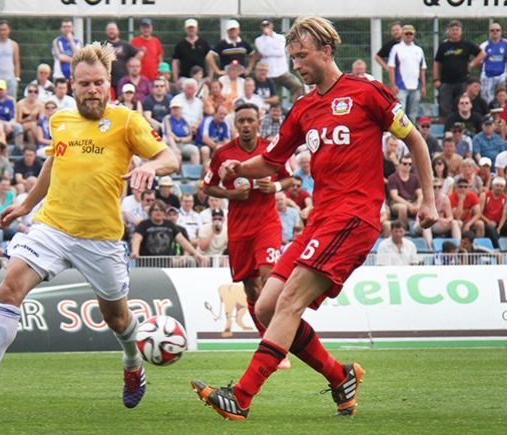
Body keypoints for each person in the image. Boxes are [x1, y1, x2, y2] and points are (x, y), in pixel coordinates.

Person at [191, 16, 438, 420]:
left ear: (326, 51)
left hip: (354, 218)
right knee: (267, 307)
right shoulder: (304, 108)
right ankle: (339, 376)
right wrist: (236, 169)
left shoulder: (367, 92)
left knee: (288, 301)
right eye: (292, 58)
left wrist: (428, 199)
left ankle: (241, 396)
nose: (297, 65)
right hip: (321, 221)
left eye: (302, 56)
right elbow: (271, 161)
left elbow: (414, 139)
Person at [0, 42, 179, 410]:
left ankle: (132, 362)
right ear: (73, 85)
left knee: (116, 318)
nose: (93, 90)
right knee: (10, 286)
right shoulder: (61, 121)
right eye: (85, 84)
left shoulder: (127, 121)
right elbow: (52, 166)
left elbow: (170, 156)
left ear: (109, 82)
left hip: (100, 237)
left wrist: (149, 166)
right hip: (53, 227)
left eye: (99, 82)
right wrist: (26, 205)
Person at [204, 102, 294, 339]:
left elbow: (289, 180)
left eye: (250, 120)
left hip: (267, 224)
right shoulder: (223, 154)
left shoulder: (271, 150)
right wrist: (231, 194)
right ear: (235, 124)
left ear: (258, 122)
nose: (246, 125)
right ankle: (267, 339)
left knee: (269, 278)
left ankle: (277, 341)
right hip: (239, 228)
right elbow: (207, 187)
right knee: (251, 288)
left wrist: (273, 186)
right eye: (241, 121)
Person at [433, 20, 484, 120]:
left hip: (462, 82)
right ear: (449, 31)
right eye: (453, 29)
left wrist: (472, 64)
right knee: (444, 108)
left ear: (461, 31)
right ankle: (445, 130)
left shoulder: (466, 44)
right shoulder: (443, 46)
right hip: (446, 83)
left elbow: (482, 54)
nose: (455, 32)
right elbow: (436, 62)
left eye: (457, 29)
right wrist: (436, 79)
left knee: (462, 105)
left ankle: (461, 128)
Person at [131, 200, 201, 266]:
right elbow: (137, 239)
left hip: (166, 264)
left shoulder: (170, 225)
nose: (158, 212)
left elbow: (182, 240)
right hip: (146, 264)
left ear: (164, 213)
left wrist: (195, 253)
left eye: (161, 210)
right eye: (156, 210)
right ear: (151, 212)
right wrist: (135, 252)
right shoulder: (143, 224)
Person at [387, 25, 426, 123]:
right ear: (402, 35)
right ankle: (399, 137)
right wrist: (393, 84)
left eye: (410, 34)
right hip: (401, 87)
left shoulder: (418, 50)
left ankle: (410, 137)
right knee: (401, 113)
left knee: (413, 115)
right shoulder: (396, 48)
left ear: (413, 35)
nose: (408, 36)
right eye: (406, 34)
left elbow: (422, 69)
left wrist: (423, 86)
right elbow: (391, 67)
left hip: (415, 86)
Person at [252, 19, 301, 97]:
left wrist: (269, 51)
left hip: (282, 72)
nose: (266, 27)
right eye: (264, 26)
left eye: (267, 25)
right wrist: (269, 39)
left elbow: (281, 51)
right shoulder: (258, 40)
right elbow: (263, 52)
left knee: (297, 86)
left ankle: (295, 107)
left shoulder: (281, 37)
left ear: (271, 25)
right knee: (271, 94)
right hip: (268, 74)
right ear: (261, 27)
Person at [414, 178, 461, 249]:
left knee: (455, 223)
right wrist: (439, 219)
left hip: (437, 224)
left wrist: (447, 220)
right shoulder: (422, 198)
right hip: (421, 223)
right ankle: (430, 249)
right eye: (434, 187)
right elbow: (422, 215)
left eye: (439, 187)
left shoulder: (445, 198)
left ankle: (458, 247)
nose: (437, 189)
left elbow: (450, 216)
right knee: (427, 225)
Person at [0, 20, 21, 99]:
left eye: (5, 30)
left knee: (11, 101)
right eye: (1, 30)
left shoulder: (14, 45)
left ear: (9, 30)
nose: (3, 32)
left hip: (10, 78)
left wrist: (17, 77)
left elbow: (16, 62)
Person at [171, 19, 211, 86]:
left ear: (197, 29)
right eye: (189, 28)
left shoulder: (204, 43)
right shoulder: (180, 45)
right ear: (185, 29)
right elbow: (175, 62)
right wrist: (176, 79)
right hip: (185, 79)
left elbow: (210, 60)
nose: (191, 30)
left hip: (202, 79)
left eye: (193, 28)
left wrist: (210, 77)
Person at [388, 154, 422, 229]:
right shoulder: (392, 178)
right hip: (397, 203)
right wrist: (409, 205)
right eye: (404, 163)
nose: (407, 166)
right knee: (403, 208)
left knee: (422, 206)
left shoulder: (415, 178)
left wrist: (418, 205)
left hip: (413, 202)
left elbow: (420, 195)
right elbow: (395, 196)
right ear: (399, 164)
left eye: (410, 164)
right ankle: (403, 229)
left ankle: (418, 228)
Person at [105, 22, 139, 91]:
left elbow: (139, 53)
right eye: (109, 30)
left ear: (118, 31)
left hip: (123, 80)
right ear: (106, 32)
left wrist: (132, 65)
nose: (111, 31)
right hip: (107, 80)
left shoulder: (125, 45)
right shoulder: (102, 45)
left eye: (113, 29)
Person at [163, 99, 198, 164]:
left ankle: (194, 172)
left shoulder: (185, 120)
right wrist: (175, 148)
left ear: (181, 109)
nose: (175, 110)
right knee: (177, 155)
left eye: (177, 108)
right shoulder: (167, 118)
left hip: (183, 143)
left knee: (194, 150)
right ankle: (176, 174)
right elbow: (169, 134)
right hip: (170, 144)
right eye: (173, 108)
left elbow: (190, 137)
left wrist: (180, 139)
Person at [479, 22, 507, 104]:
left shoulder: (505, 44)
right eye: (492, 30)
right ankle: (488, 115)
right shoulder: (484, 45)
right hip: (488, 76)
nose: (495, 32)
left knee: (502, 99)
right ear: (489, 32)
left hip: (502, 76)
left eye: (497, 30)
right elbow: (479, 62)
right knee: (487, 99)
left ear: (501, 32)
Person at [0, 80, 23, 147]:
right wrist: (5, 124)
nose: (0, 91)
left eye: (1, 89)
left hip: (9, 122)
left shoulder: (11, 100)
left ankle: (18, 148)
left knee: (19, 127)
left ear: (6, 90)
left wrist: (10, 124)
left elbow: (14, 115)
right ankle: (2, 146)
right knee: (0, 127)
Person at [480, 176, 507, 248]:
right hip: (486, 221)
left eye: (501, 186)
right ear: (492, 186)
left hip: (498, 222)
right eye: (497, 185)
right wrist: (488, 221)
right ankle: (498, 248)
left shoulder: (505, 198)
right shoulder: (484, 195)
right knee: (491, 228)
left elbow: (504, 214)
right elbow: (479, 213)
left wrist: (499, 228)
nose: (499, 188)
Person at [52, 18, 82, 83]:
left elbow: (79, 56)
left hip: (75, 76)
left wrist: (71, 41)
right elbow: (60, 57)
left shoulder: (77, 41)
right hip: (60, 76)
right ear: (61, 29)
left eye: (69, 27)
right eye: (64, 27)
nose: (67, 29)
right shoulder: (56, 41)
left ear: (72, 28)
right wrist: (74, 60)